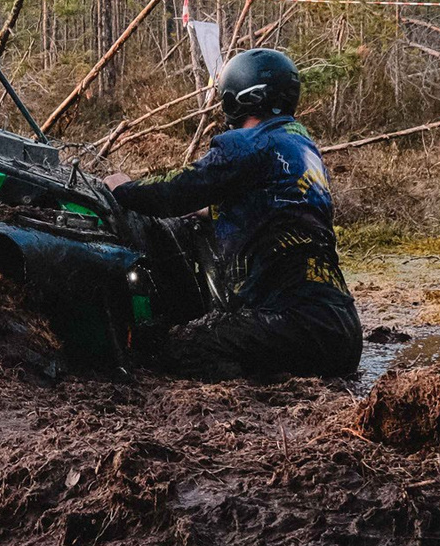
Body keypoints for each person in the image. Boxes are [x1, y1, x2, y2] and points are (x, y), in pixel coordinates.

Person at [112, 48, 365, 381]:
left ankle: (258, 381)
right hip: (342, 332)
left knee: (175, 349)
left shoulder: (247, 144)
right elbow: (269, 205)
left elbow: (177, 190)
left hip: (291, 325)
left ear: (239, 99)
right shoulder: (302, 147)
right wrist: (210, 211)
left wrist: (123, 188)